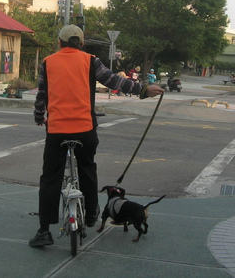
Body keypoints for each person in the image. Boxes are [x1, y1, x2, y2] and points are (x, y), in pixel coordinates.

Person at [29, 25, 164, 247]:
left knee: (50, 178)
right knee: (87, 169)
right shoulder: (90, 60)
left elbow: (42, 96)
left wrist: (38, 117)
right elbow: (114, 81)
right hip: (85, 130)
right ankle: (91, 214)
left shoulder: (48, 62)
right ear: (81, 44)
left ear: (59, 43)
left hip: (56, 131)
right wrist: (143, 89)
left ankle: (44, 230)